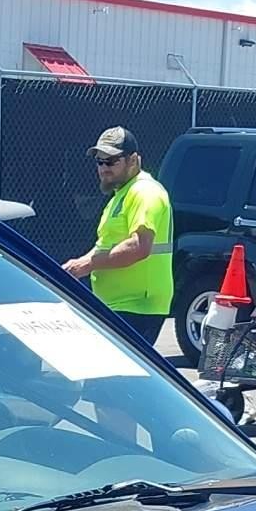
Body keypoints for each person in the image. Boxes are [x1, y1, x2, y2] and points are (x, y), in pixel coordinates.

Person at [61, 127, 174, 353]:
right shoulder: (120, 195)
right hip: (118, 306)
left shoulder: (145, 192)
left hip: (137, 307)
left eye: (111, 162)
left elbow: (138, 247)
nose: (103, 169)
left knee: (112, 380)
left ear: (133, 160)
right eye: (99, 162)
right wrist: (74, 268)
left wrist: (87, 264)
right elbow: (105, 245)